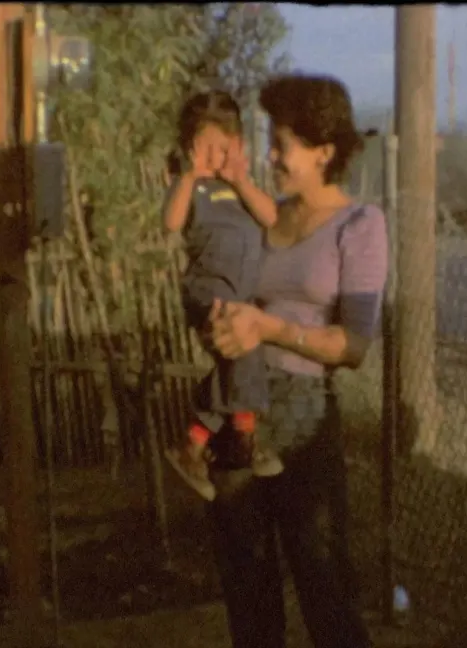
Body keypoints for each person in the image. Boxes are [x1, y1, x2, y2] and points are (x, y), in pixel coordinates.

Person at [204, 73, 388, 648]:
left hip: (304, 420)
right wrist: (228, 323)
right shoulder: (269, 214)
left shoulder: (360, 225)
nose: (271, 156)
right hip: (241, 403)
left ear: (323, 151)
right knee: (246, 577)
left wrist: (270, 328)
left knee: (322, 581)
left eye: (281, 143)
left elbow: (353, 347)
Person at [161, 90, 285, 501]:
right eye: (208, 148)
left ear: (240, 146)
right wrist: (188, 175)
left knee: (241, 359)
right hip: (208, 290)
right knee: (244, 351)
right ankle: (245, 439)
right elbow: (171, 222)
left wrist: (241, 179)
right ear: (190, 147)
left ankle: (193, 444)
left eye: (225, 147)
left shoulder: (243, 189)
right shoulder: (192, 188)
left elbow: (272, 218)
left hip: (243, 295)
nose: (217, 156)